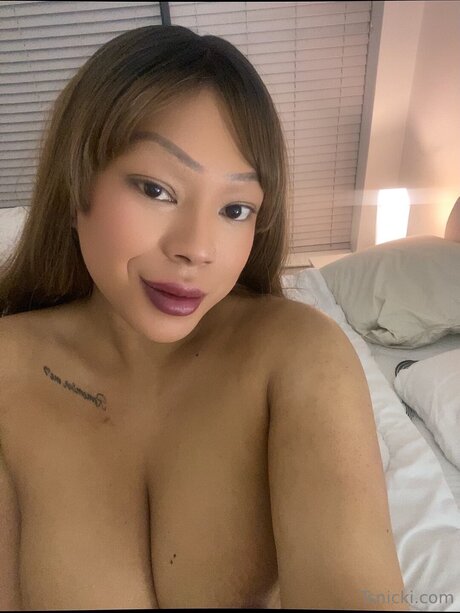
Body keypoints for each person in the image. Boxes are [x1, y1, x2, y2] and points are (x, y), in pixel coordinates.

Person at [0, 25, 408, 610]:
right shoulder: (8, 370)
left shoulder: (298, 356)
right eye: (156, 190)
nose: (197, 248)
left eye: (235, 209)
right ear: (74, 187)